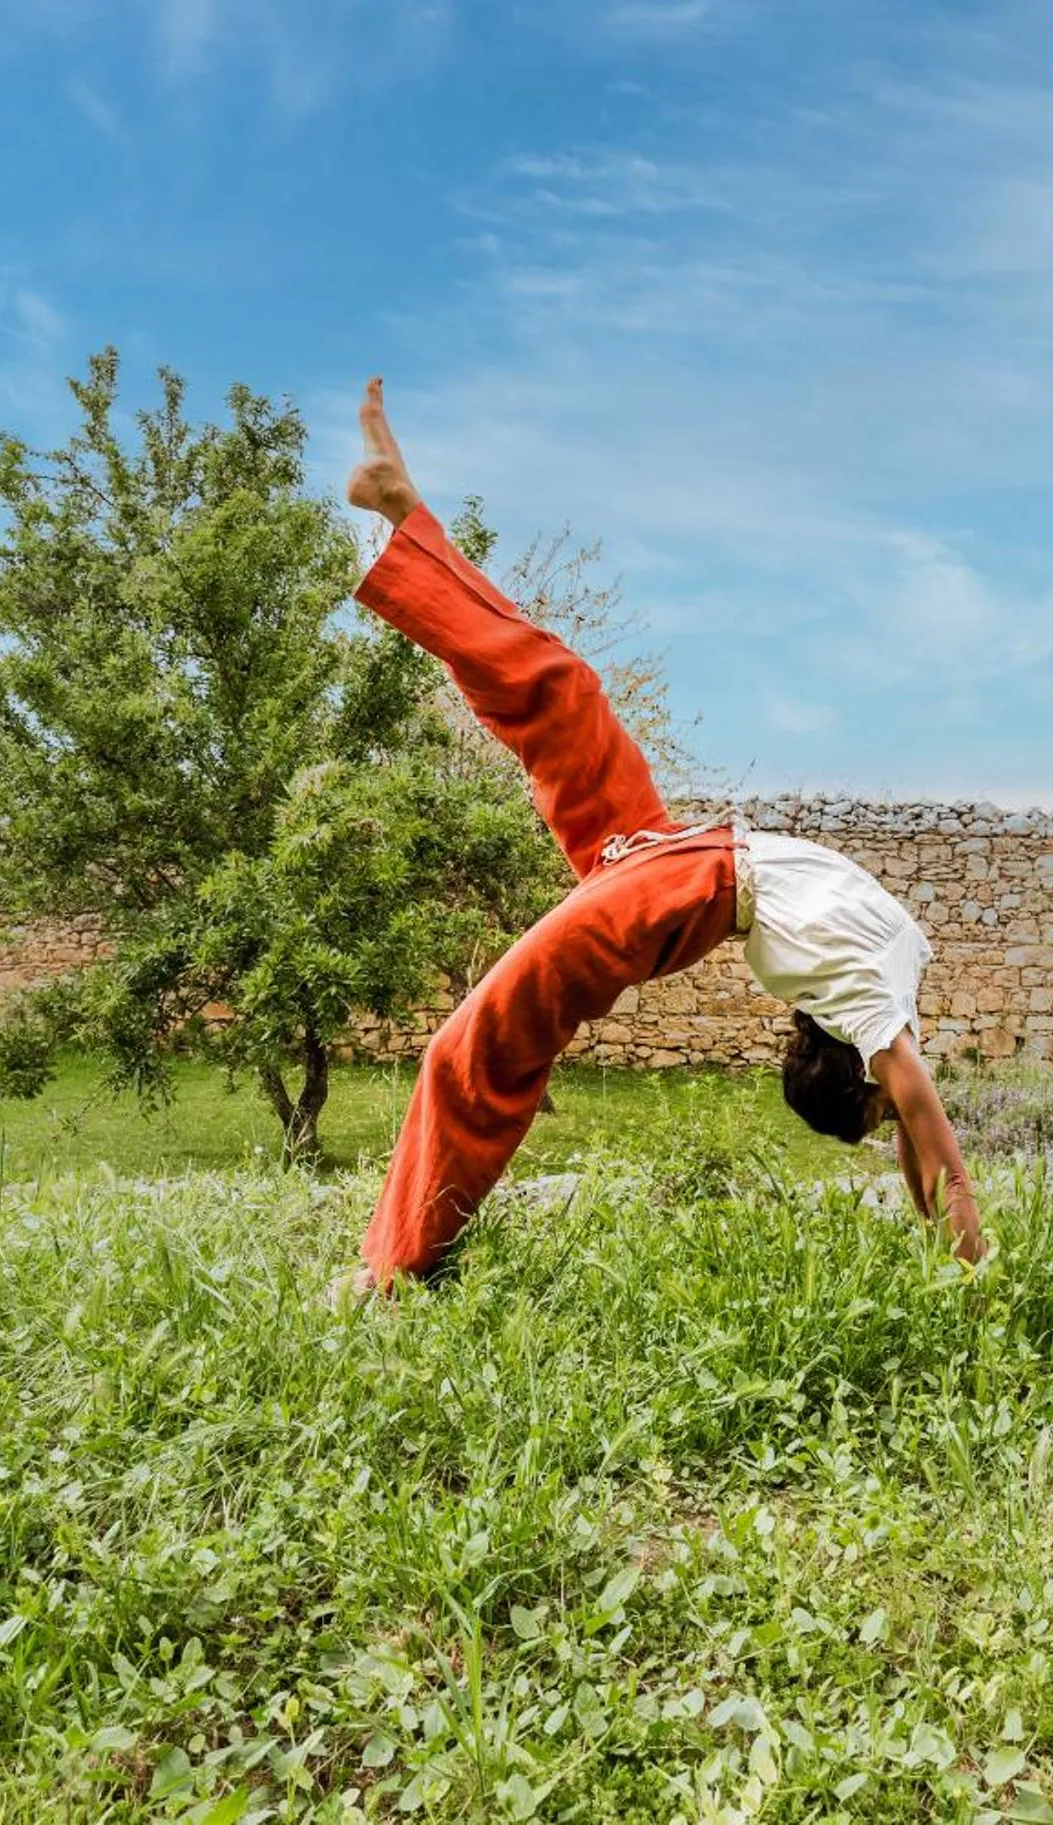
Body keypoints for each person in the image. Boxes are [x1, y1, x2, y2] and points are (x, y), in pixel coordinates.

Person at [336, 378, 986, 1295]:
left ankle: (395, 1267)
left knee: (477, 1039)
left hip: (683, 890)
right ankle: (406, 517)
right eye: (887, 1116)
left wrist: (951, 1234)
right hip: (669, 854)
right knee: (564, 690)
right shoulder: (886, 1014)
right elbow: (930, 1139)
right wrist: (967, 1245)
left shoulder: (879, 1012)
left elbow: (921, 1136)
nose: (899, 1114)